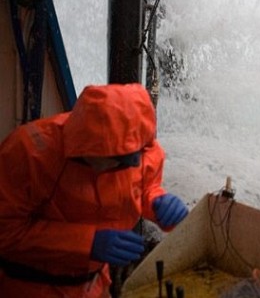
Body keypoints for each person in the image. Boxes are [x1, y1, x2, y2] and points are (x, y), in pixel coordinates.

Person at [0, 83, 188, 297]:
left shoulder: (140, 149)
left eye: (135, 154)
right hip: (29, 287)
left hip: (95, 286)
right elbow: (5, 231)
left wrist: (156, 202)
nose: (132, 164)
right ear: (86, 148)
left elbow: (142, 188)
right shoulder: (28, 152)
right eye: (119, 159)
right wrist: (86, 242)